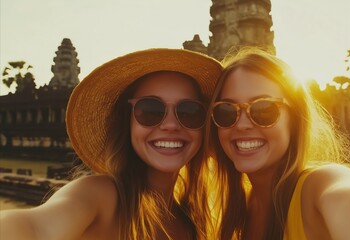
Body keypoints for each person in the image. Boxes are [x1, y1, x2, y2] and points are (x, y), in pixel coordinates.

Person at [205, 48, 350, 240]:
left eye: (263, 109)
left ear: (295, 118)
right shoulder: (230, 207)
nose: (243, 124)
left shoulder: (316, 187)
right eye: (226, 111)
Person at [0, 48, 222, 239]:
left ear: (205, 127)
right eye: (150, 110)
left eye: (190, 112)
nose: (171, 125)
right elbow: (33, 229)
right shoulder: (102, 196)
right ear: (128, 122)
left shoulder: (193, 219)